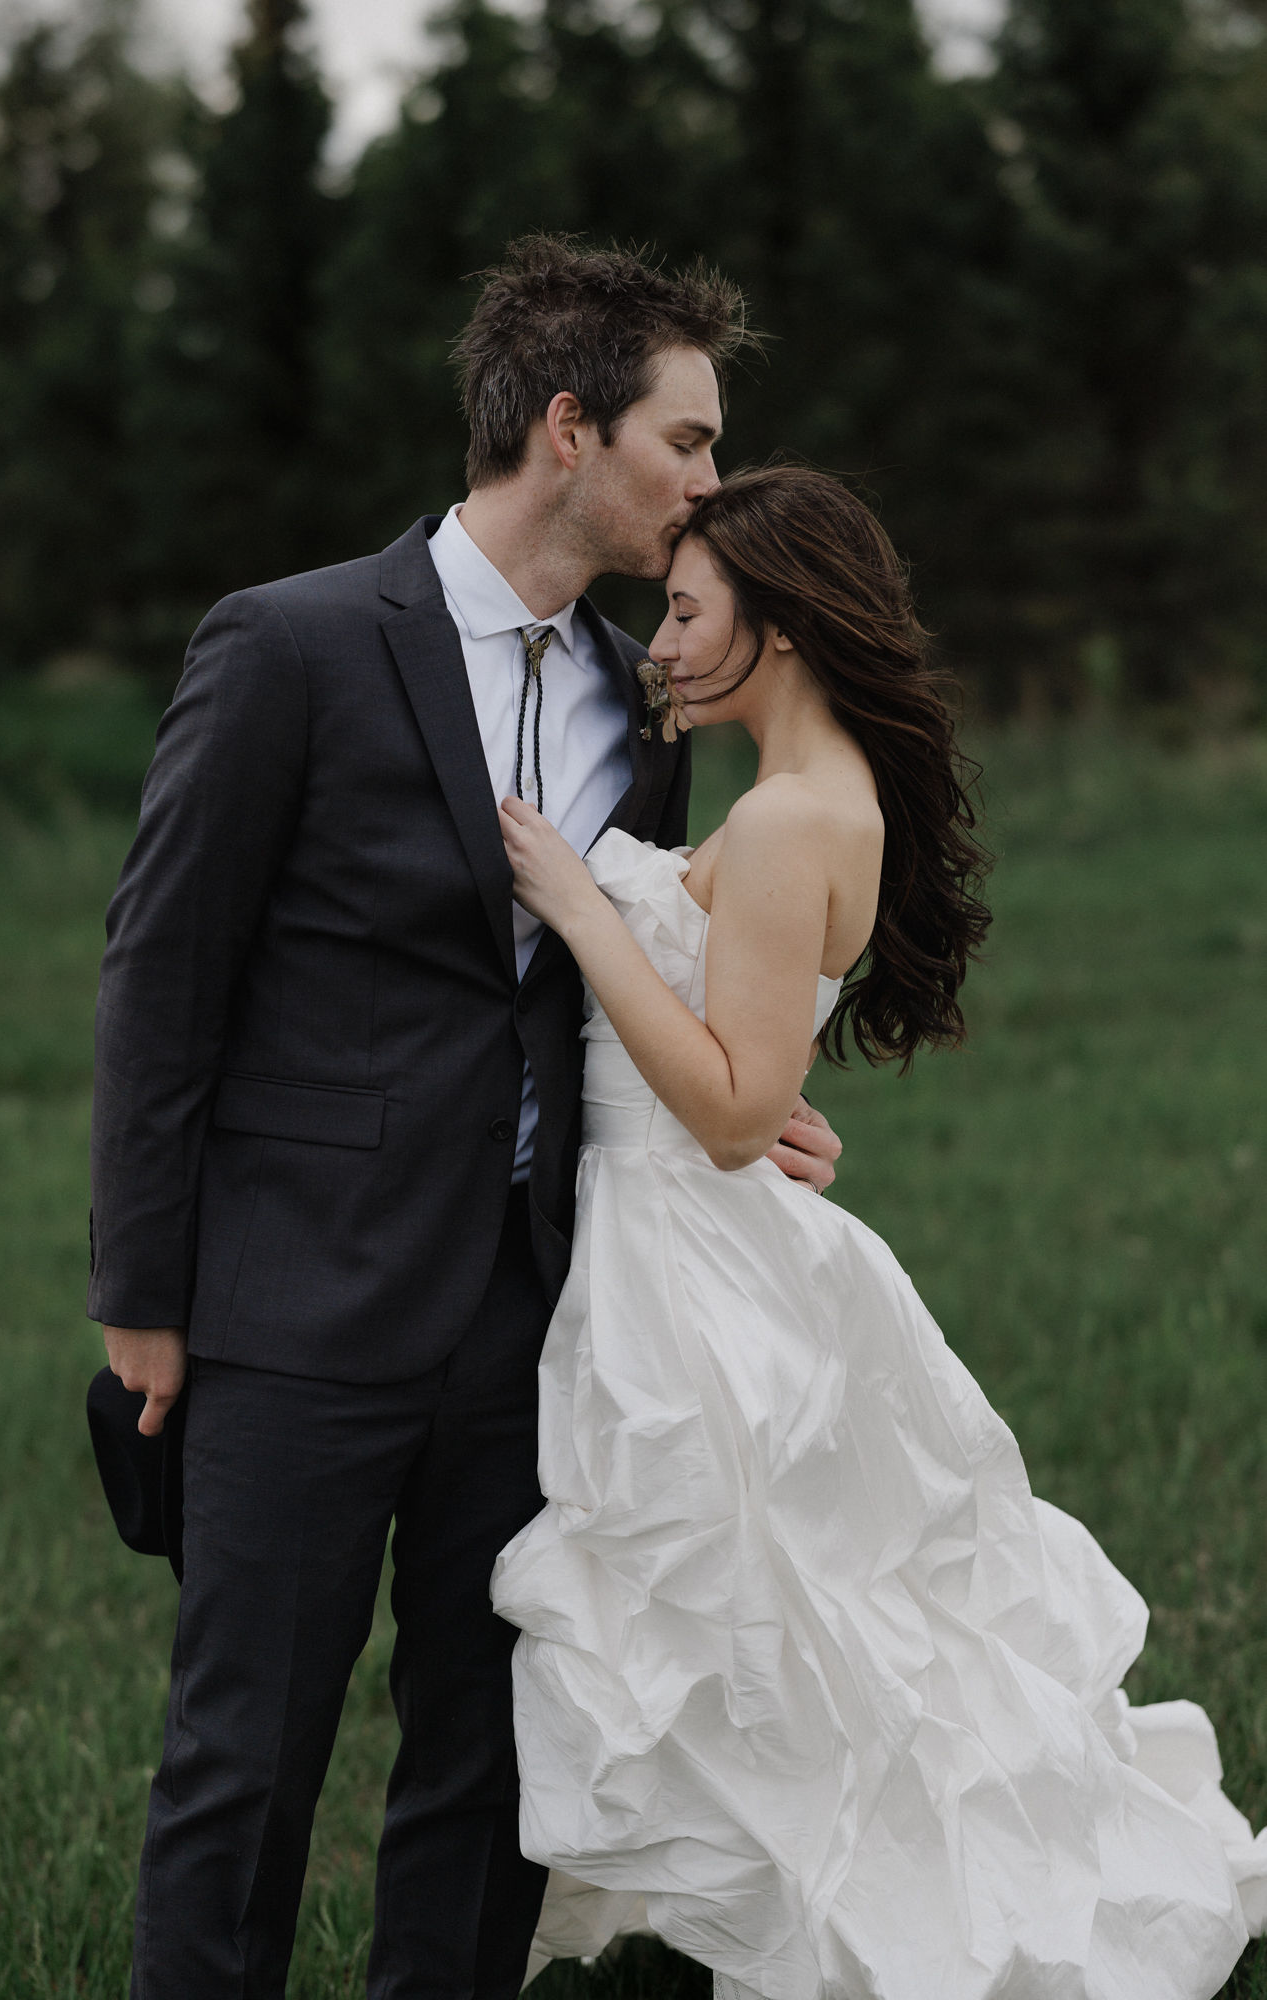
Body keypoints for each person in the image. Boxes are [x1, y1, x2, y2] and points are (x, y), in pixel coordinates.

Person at [88, 238, 841, 1999]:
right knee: (242, 1763)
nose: (710, 484)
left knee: (493, 1768)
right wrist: (144, 1300)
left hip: (530, 1314)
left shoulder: (634, 702)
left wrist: (751, 1111)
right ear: (569, 430)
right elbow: (160, 976)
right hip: (291, 1310)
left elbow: (598, 983)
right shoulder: (287, 645)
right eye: (687, 438)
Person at [491, 464, 1267, 2000]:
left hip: (693, 1252)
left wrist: (584, 914)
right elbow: (742, 1072)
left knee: (786, 1635)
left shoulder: (790, 819)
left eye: (691, 611)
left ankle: (875, 1927)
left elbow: (725, 1110)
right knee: (780, 1633)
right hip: (674, 1233)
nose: (660, 641)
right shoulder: (793, 799)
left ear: (773, 630)